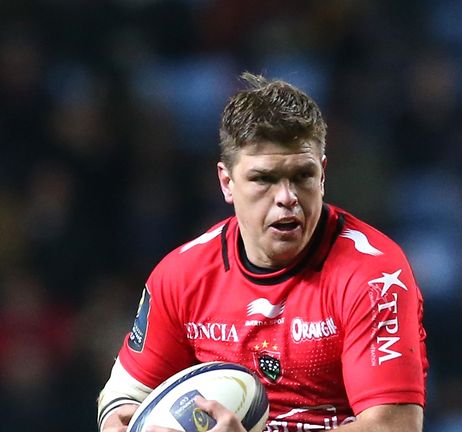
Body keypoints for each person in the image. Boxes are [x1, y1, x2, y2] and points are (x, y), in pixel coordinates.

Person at [97, 72, 428, 432]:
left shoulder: (373, 274)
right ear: (227, 182)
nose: (287, 197)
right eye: (264, 179)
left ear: (323, 175)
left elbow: (394, 427)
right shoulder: (182, 275)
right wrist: (123, 424)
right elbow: (122, 396)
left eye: (303, 175)